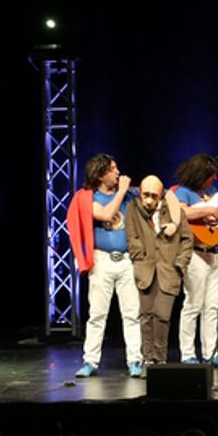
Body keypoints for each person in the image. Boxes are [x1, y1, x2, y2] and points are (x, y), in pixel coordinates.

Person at [66, 153, 143, 377]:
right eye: (113, 169)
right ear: (101, 175)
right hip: (101, 261)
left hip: (128, 261)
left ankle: (135, 360)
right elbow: (106, 214)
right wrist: (122, 191)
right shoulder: (87, 197)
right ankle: (90, 361)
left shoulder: (128, 195)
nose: (118, 173)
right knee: (97, 314)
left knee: (132, 313)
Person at [171, 153, 218, 368]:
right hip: (197, 254)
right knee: (193, 304)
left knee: (213, 306)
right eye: (211, 175)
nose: (215, 179)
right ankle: (188, 354)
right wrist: (209, 211)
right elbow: (183, 213)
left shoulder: (213, 193)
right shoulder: (183, 192)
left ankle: (211, 353)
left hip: (217, 253)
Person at [125, 175, 194, 367]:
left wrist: (180, 264)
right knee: (145, 316)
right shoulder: (133, 209)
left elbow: (187, 240)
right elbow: (131, 236)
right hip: (145, 270)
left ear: (160, 196)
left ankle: (160, 359)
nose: (148, 200)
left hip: (168, 270)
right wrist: (139, 256)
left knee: (162, 316)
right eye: (145, 195)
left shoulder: (174, 212)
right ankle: (147, 359)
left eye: (153, 196)